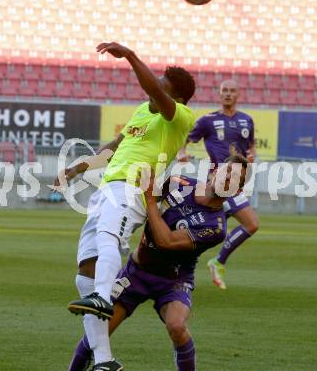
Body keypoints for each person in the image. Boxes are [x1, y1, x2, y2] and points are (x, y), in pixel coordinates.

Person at [55, 42, 196, 371]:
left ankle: (104, 297)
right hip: (107, 187)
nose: (153, 92)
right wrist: (78, 168)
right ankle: (105, 360)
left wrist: (131, 56)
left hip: (134, 187)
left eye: (161, 89)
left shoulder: (181, 117)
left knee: (109, 239)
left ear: (176, 98)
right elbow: (116, 145)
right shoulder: (141, 112)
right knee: (84, 273)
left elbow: (152, 89)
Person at [68, 155, 249, 371]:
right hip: (136, 273)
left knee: (177, 325)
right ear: (214, 171)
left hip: (174, 280)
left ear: (237, 191)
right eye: (227, 171)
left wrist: (151, 200)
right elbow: (140, 204)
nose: (228, 177)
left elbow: (166, 241)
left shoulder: (216, 227)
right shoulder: (178, 183)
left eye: (236, 178)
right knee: (97, 334)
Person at [179, 79, 259, 290]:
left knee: (204, 225)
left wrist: (251, 155)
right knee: (251, 224)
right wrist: (181, 153)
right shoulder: (208, 120)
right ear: (219, 93)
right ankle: (217, 262)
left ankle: (181, 261)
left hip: (236, 181)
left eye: (232, 91)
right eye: (225, 90)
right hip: (219, 181)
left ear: (238, 94)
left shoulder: (246, 120)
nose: (228, 94)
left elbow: (251, 146)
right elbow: (185, 139)